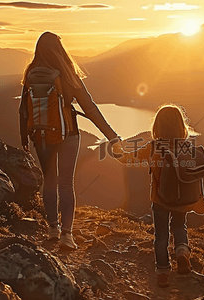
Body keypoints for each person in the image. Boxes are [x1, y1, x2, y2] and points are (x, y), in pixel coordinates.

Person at [19, 32, 119, 250]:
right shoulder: (66, 73)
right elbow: (90, 108)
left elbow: (23, 109)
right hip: (69, 134)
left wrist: (24, 137)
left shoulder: (31, 73)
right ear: (59, 49)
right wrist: (112, 137)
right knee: (66, 183)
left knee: (49, 181)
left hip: (40, 137)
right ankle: (67, 235)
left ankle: (52, 230)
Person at [112, 104, 204, 287]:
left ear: (157, 126)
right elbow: (196, 175)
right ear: (181, 126)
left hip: (160, 200)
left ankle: (163, 272)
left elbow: (128, 158)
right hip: (183, 200)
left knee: (161, 235)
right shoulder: (187, 147)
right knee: (180, 226)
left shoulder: (154, 147)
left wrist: (116, 150)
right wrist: (200, 199)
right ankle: (181, 251)